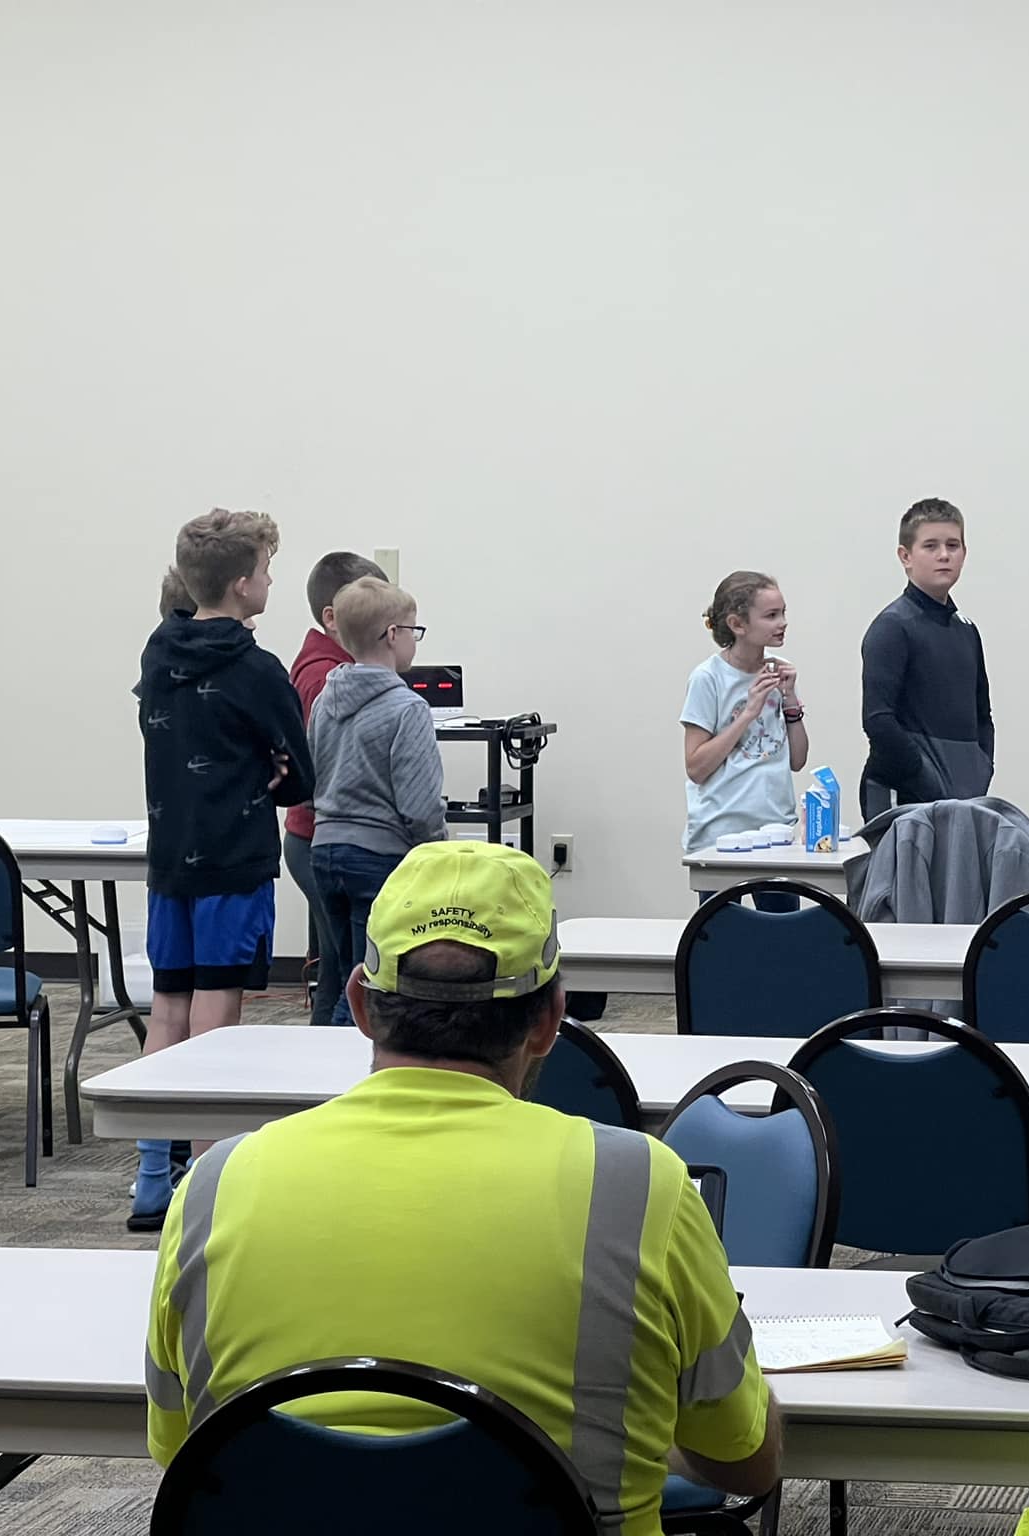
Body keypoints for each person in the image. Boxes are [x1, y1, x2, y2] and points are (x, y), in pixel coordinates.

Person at [145, 841, 781, 1531]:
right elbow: (745, 1461)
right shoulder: (643, 1190)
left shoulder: (212, 1186)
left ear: (359, 1002)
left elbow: (182, 1449)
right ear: (548, 1020)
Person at [132, 508, 314, 1231]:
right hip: (234, 859)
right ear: (243, 585)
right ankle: (207, 1189)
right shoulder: (256, 668)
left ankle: (151, 1173)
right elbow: (301, 776)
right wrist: (271, 768)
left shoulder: (157, 650)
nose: (271, 579)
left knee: (168, 1007)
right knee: (219, 1017)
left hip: (169, 856)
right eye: (266, 569)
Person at [309, 575, 446, 1026]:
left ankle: (327, 1066)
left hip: (324, 851)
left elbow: (316, 773)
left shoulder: (326, 697)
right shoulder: (407, 709)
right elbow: (420, 806)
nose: (414, 641)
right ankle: (348, 1080)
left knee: (344, 972)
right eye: (413, 631)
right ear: (392, 636)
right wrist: (438, 859)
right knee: (371, 985)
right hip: (377, 858)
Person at [285, 551, 388, 1026]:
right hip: (320, 837)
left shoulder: (336, 669)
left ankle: (320, 1064)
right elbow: (320, 766)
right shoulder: (322, 677)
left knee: (335, 972)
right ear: (333, 616)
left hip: (322, 838)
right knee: (351, 973)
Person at [859, 498, 994, 820]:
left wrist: (981, 766)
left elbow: (982, 714)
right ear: (905, 556)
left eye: (953, 545)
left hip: (963, 795)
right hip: (904, 794)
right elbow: (878, 720)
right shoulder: (893, 627)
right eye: (930, 546)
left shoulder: (966, 630)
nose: (944, 555)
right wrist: (925, 777)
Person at [682, 573, 808, 912]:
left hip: (775, 830)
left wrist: (791, 701)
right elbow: (696, 766)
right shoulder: (708, 678)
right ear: (737, 623)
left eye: (783, 612)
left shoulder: (778, 672)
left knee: (781, 936)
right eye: (771, 616)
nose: (782, 623)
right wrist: (748, 713)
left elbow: (797, 760)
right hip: (721, 834)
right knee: (721, 939)